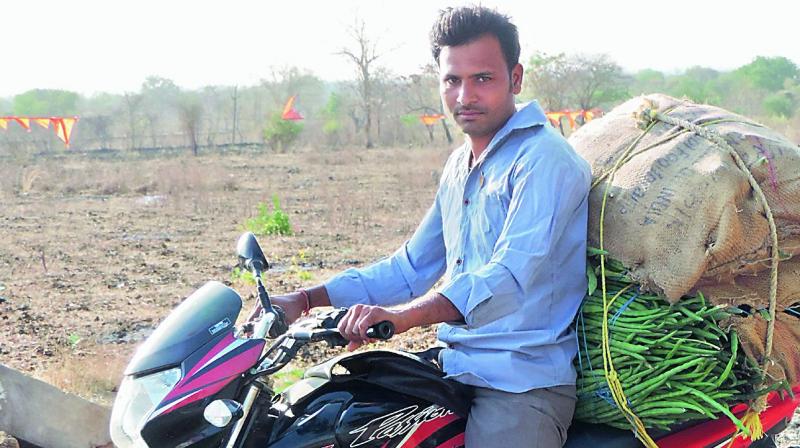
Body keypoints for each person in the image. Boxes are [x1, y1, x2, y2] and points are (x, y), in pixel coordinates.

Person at [260, 6, 591, 447]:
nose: (464, 96)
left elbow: (508, 278)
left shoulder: (544, 159)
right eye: (452, 80)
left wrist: (403, 317)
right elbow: (409, 268)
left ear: (515, 78)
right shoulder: (460, 165)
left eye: (482, 79)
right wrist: (305, 299)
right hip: (456, 364)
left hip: (521, 381)